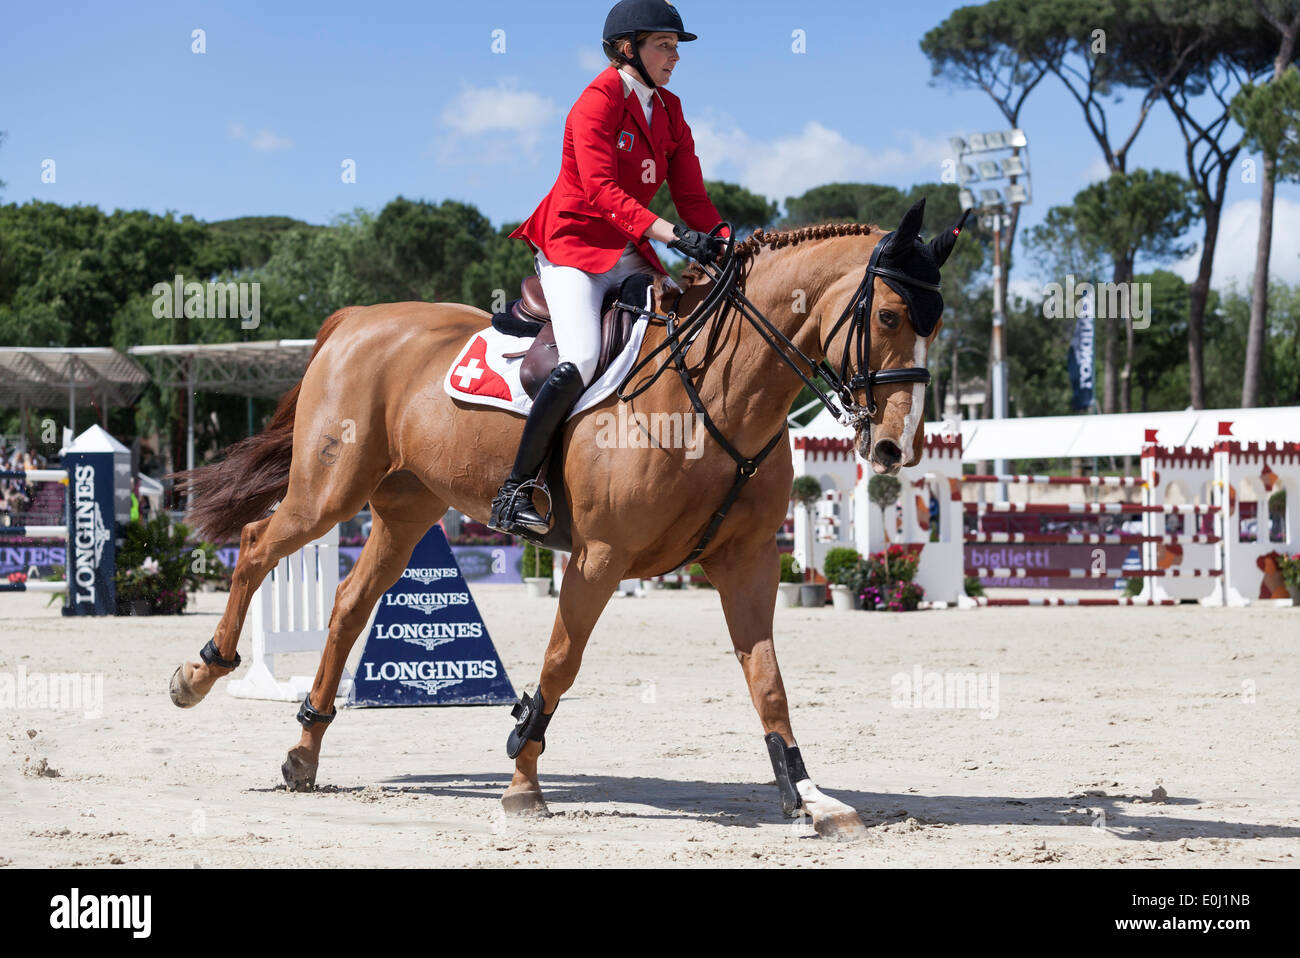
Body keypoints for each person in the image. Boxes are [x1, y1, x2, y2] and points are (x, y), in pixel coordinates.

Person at [489, 0, 728, 537]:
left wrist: (727, 243)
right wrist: (672, 236)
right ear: (628, 49)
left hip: (626, 248)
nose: (674, 56)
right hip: (572, 245)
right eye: (663, 45)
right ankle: (516, 489)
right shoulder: (595, 102)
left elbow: (693, 199)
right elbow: (601, 191)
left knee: (686, 326)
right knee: (581, 355)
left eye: (675, 46)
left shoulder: (670, 109)